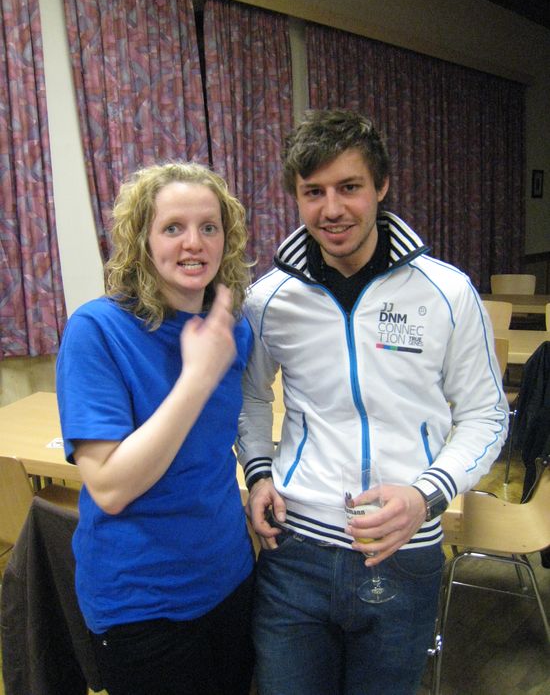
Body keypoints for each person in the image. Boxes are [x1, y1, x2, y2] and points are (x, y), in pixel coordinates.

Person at [237, 110, 509, 695]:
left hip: (402, 550)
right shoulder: (268, 300)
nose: (331, 209)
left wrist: (426, 495)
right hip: (294, 550)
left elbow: (486, 414)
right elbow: (250, 399)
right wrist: (258, 473)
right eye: (313, 192)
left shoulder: (446, 291)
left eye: (349, 187)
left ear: (381, 186)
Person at [56, 162, 255, 695]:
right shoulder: (96, 330)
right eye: (172, 228)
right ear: (142, 240)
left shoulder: (230, 326)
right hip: (141, 604)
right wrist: (197, 376)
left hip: (230, 577)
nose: (194, 243)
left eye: (209, 227)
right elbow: (110, 486)